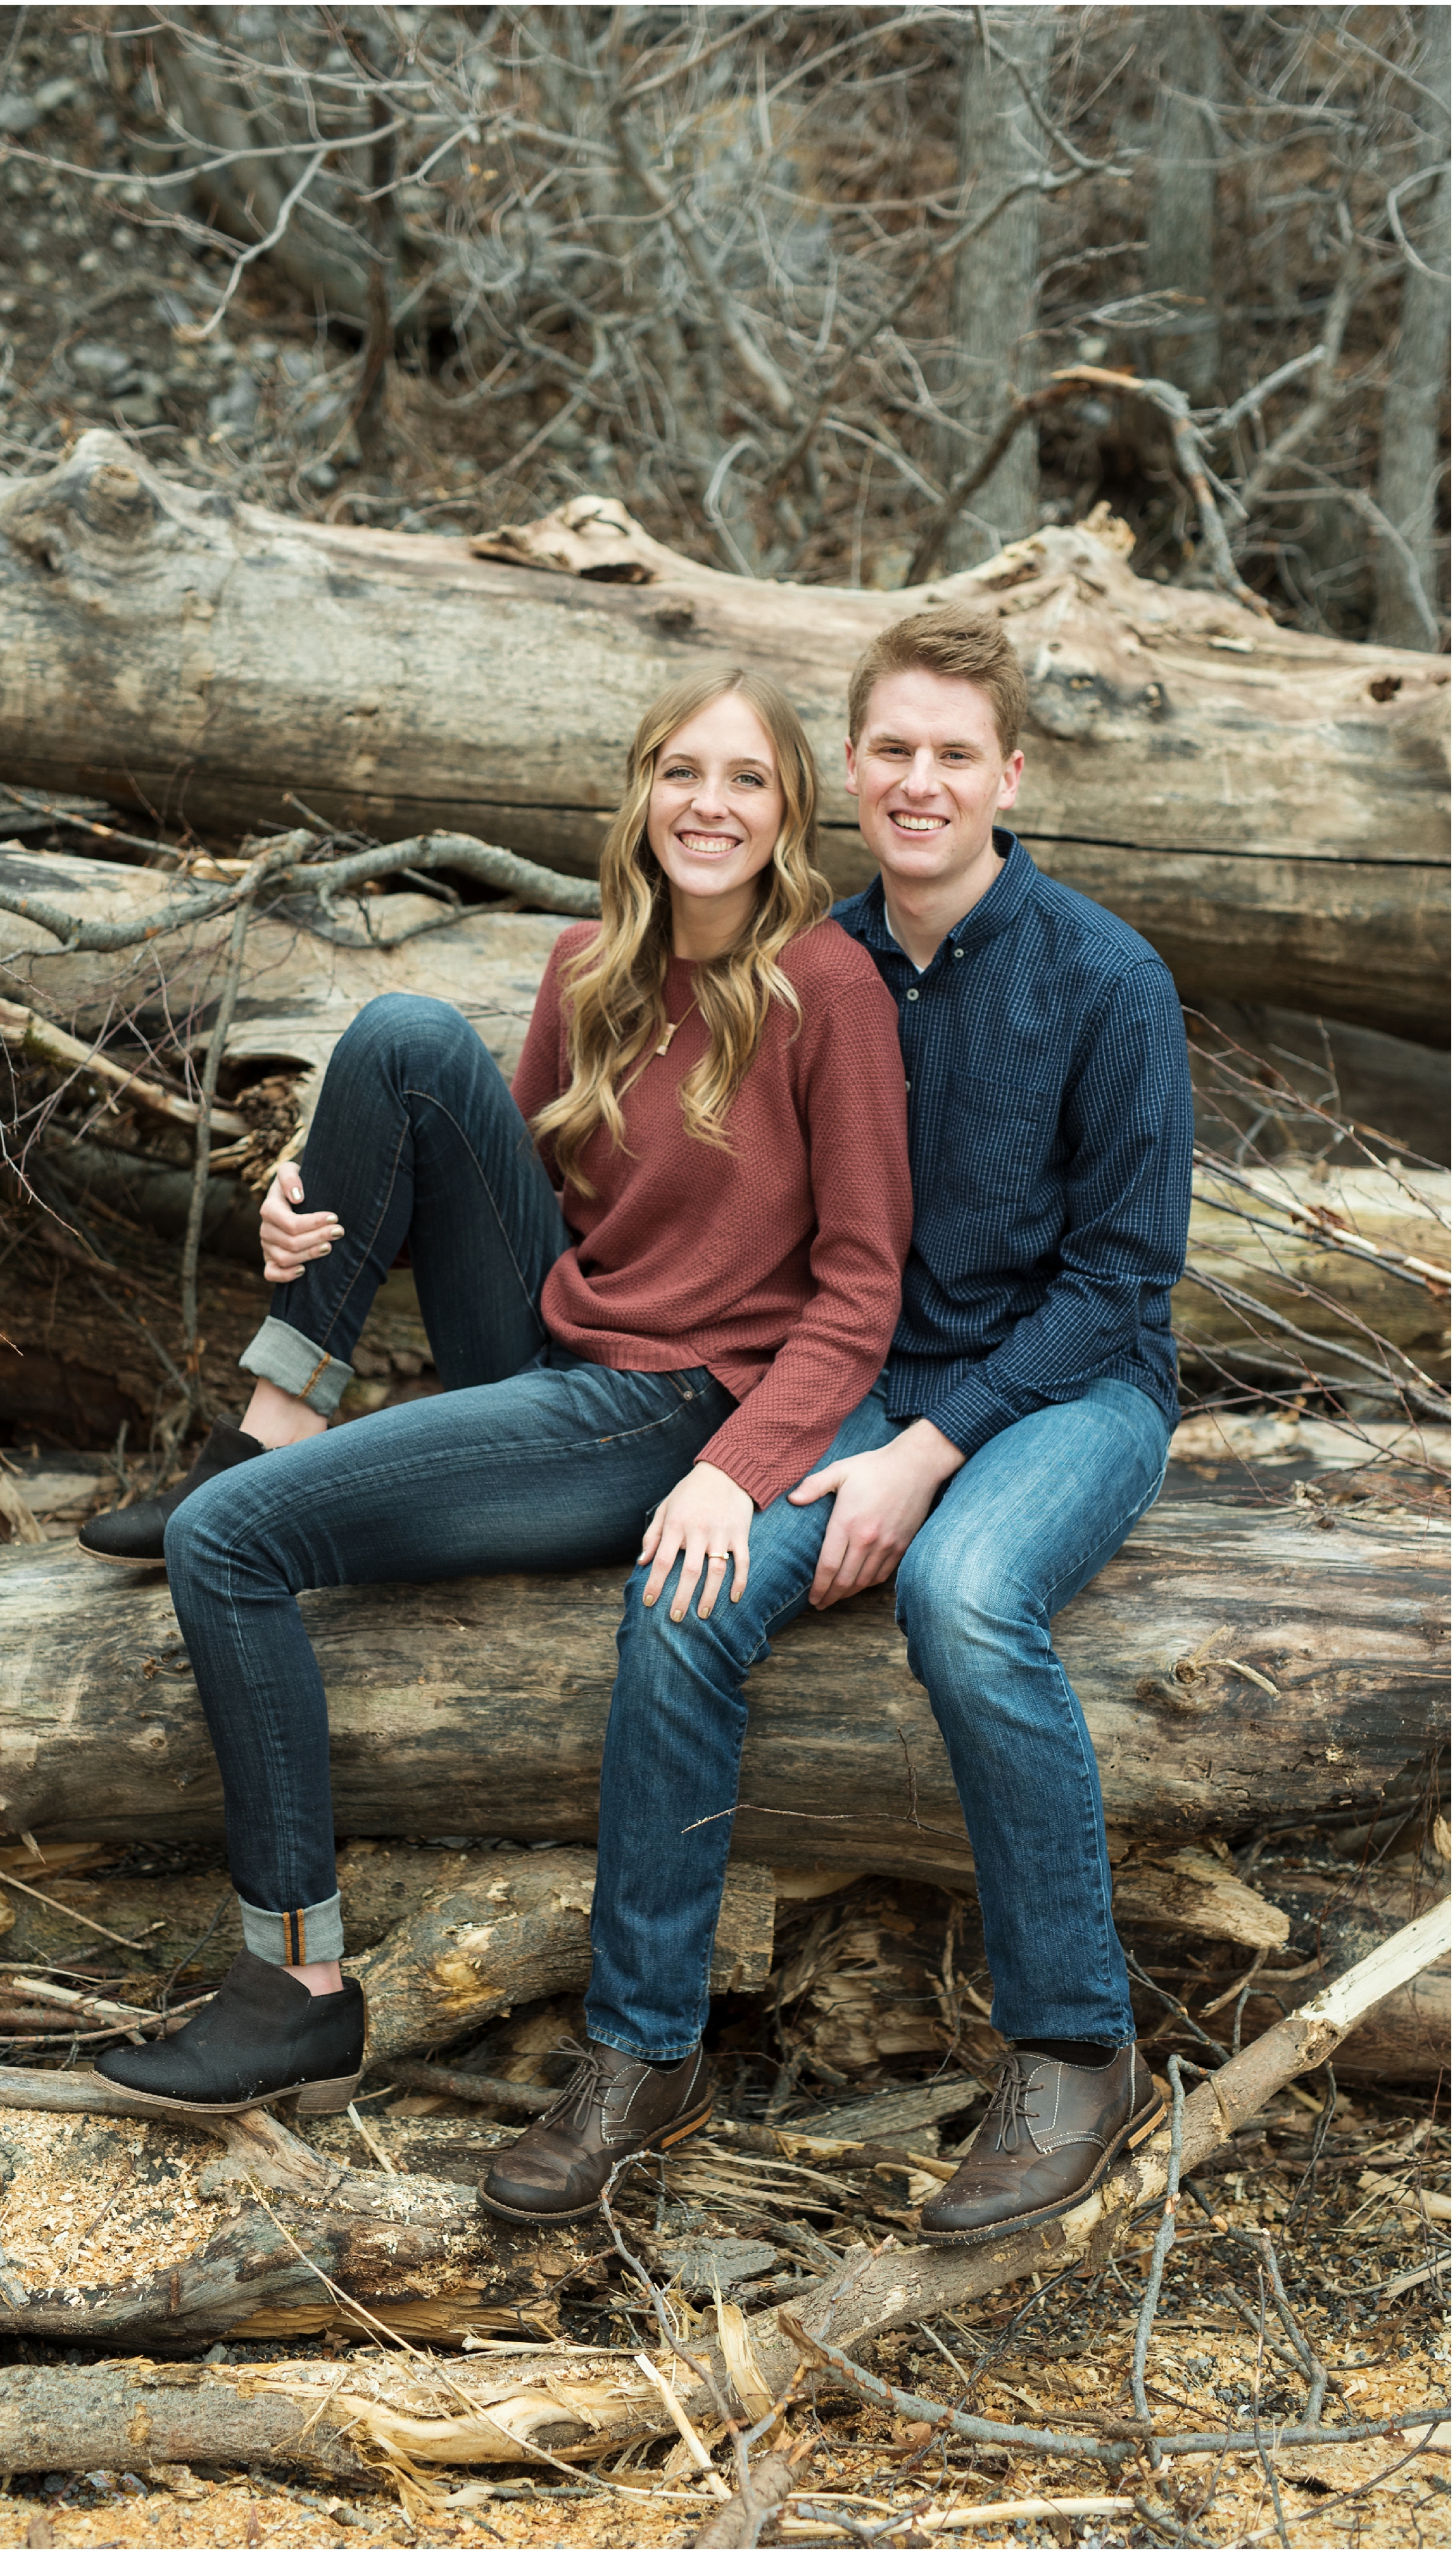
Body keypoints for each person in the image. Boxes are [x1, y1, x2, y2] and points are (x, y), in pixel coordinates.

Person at [87, 668, 914, 2172]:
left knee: (221, 1546)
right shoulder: (592, 962)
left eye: (743, 779)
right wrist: (305, 1208)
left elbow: (858, 1296)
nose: (706, 805)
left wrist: (736, 1474)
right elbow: (477, 1174)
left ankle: (295, 1984)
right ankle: (272, 1415)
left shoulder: (826, 990)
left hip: (663, 1412)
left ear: (790, 810)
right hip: (552, 1345)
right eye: (679, 771)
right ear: (638, 792)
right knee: (403, 1034)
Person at [481, 605, 1194, 2242]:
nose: (920, 780)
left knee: (962, 1596)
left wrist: (926, 1456)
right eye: (891, 749)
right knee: (684, 1602)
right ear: (848, 774)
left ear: (1009, 774)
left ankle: (1075, 2046)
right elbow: (603, 1139)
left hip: (1071, 1390)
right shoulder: (809, 964)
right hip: (859, 1381)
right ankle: (642, 2055)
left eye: (955, 753)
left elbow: (1119, 1282)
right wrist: (327, 1202)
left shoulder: (1104, 978)